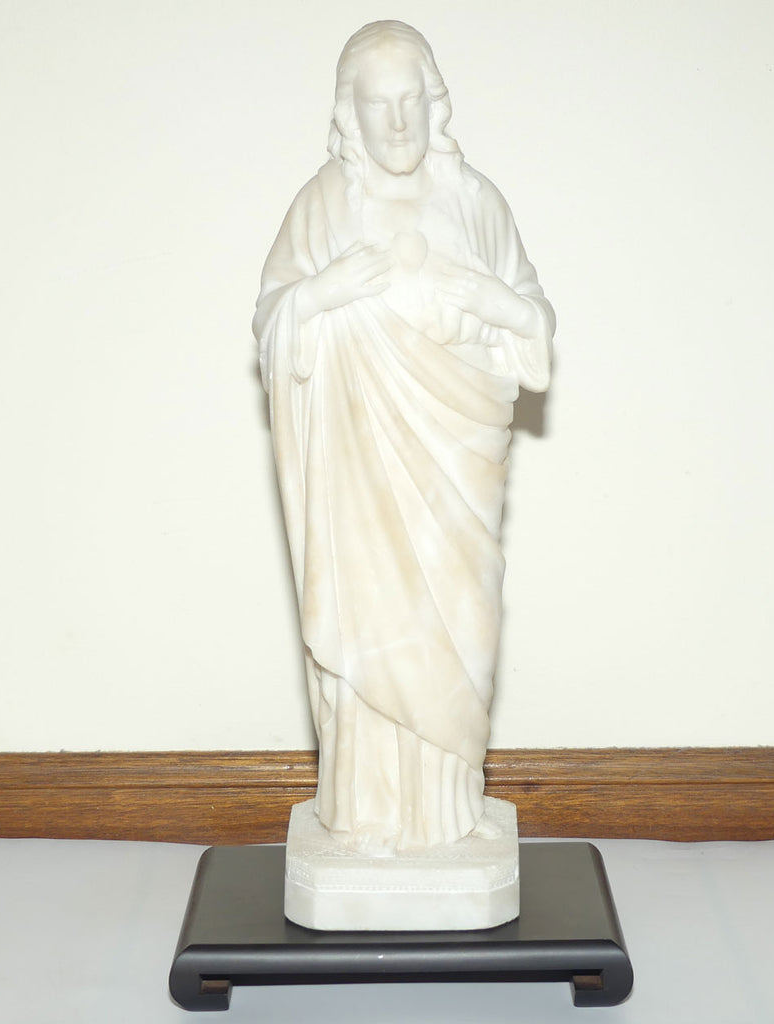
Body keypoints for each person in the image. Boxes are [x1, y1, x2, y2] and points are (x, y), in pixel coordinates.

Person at [253, 20, 554, 854]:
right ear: (348, 113)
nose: (396, 122)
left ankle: (444, 815)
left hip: (457, 471)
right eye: (377, 103)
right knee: (368, 632)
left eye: (410, 100)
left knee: (460, 632)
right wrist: (322, 294)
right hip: (358, 478)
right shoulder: (323, 204)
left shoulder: (476, 203)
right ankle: (369, 812)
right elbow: (273, 321)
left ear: (434, 103)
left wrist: (491, 302)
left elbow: (533, 330)